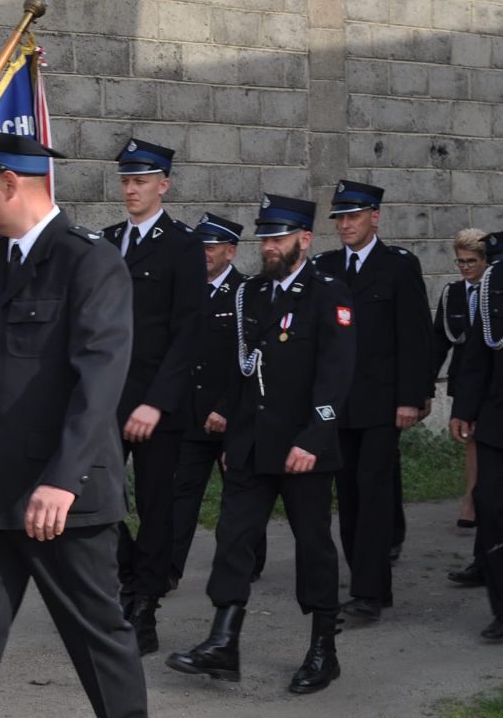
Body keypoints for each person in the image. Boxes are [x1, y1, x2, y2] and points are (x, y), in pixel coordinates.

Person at [0, 129, 146, 718]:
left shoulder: (88, 260)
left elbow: (99, 382)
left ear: (10, 184)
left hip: (62, 499)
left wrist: (63, 479)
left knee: (98, 640)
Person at [165, 193, 355, 695]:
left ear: (304, 240)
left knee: (313, 545)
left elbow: (336, 376)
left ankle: (323, 650)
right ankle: (223, 641)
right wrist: (231, 422)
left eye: (278, 237)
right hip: (252, 442)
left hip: (302, 446)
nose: (269, 246)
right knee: (233, 539)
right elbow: (245, 368)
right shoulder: (254, 293)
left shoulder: (328, 293)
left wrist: (316, 435)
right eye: (265, 237)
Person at [101, 138, 205, 654]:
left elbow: (189, 333)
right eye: (125, 180)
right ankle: (126, 577)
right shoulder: (107, 240)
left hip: (156, 404)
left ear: (163, 184)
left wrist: (156, 402)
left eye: (140, 180)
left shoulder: (185, 246)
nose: (131, 189)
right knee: (96, 493)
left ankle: (144, 604)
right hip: (107, 398)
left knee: (156, 503)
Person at [312, 180, 432, 622]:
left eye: (354, 216)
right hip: (337, 404)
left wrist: (412, 397)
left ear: (374, 217)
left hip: (382, 404)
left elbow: (414, 337)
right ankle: (365, 577)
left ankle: (369, 592)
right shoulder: (324, 266)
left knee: (374, 490)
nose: (345, 225)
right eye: (340, 218)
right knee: (348, 494)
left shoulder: (398, 266)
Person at [168, 212, 265, 591]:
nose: (203, 254)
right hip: (191, 416)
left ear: (231, 251)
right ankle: (169, 568)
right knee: (182, 494)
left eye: (211, 247)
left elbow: (250, 358)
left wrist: (226, 408)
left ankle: (250, 561)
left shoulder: (247, 293)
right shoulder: (187, 289)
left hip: (233, 415)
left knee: (241, 494)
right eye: (199, 247)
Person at [448, 228, 503, 642]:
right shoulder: (492, 286)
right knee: (489, 502)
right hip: (497, 414)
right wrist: (464, 410)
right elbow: (478, 354)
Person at [435, 229, 489, 587]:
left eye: (472, 261)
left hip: (490, 379)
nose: (466, 267)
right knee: (471, 438)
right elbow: (439, 338)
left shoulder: (492, 293)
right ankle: (471, 499)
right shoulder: (453, 293)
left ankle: (474, 501)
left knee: (483, 441)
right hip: (465, 376)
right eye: (461, 261)